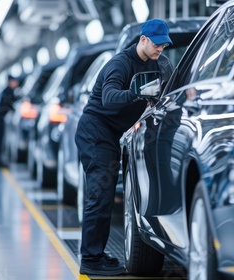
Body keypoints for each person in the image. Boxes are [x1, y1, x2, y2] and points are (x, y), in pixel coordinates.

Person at [75, 18, 174, 276]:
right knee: (100, 196)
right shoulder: (120, 63)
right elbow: (108, 98)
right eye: (156, 45)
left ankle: (96, 253)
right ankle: (90, 260)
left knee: (105, 196)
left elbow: (167, 90)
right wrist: (136, 94)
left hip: (109, 134)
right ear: (143, 39)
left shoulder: (157, 64)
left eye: (164, 46)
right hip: (95, 131)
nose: (160, 50)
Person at [0, 75, 19, 168]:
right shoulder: (8, 91)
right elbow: (10, 104)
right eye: (15, 81)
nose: (17, 83)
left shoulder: (6, 90)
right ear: (10, 82)